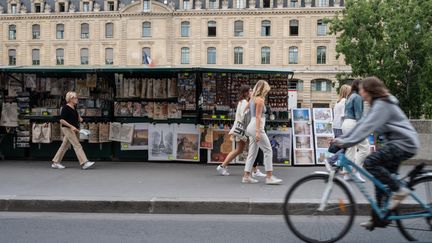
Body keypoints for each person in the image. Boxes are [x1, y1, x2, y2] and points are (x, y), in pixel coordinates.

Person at [333, 77, 419, 228]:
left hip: (403, 144)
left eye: (362, 89)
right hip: (398, 144)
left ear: (368, 90)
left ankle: (400, 190)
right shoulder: (376, 105)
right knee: (381, 181)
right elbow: (362, 124)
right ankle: (379, 218)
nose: (360, 91)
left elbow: (366, 128)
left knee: (371, 162)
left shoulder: (382, 105)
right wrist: (342, 139)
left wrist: (345, 142)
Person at [217, 85, 266, 178]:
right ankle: (254, 171)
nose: (252, 92)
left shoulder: (243, 101)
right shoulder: (244, 102)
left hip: (241, 129)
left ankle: (222, 166)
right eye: (250, 91)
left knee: (239, 150)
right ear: (246, 93)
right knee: (252, 149)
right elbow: (245, 115)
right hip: (244, 130)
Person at [242, 80, 282, 185]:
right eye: (266, 90)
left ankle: (246, 176)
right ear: (263, 89)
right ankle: (269, 177)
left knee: (252, 152)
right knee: (268, 150)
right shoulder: (259, 100)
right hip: (257, 126)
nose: (267, 92)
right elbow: (258, 116)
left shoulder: (252, 99)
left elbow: (245, 111)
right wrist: (258, 132)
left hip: (251, 125)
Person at [51, 91, 95, 170]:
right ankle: (85, 162)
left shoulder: (74, 107)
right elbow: (61, 120)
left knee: (64, 146)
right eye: (75, 98)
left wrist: (79, 118)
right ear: (70, 99)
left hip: (74, 128)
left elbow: (75, 114)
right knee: (77, 145)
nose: (77, 99)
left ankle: (55, 162)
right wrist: (71, 126)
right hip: (67, 129)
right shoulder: (65, 108)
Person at [341, 79, 369, 182]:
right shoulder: (357, 97)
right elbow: (359, 116)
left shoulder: (350, 96)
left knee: (350, 149)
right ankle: (356, 171)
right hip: (353, 123)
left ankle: (347, 173)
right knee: (365, 148)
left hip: (346, 123)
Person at [326, 84, 351, 165]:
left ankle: (341, 165)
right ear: (347, 92)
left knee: (341, 146)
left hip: (336, 126)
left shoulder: (338, 102)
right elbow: (343, 115)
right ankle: (331, 160)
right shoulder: (344, 102)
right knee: (346, 147)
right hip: (341, 126)